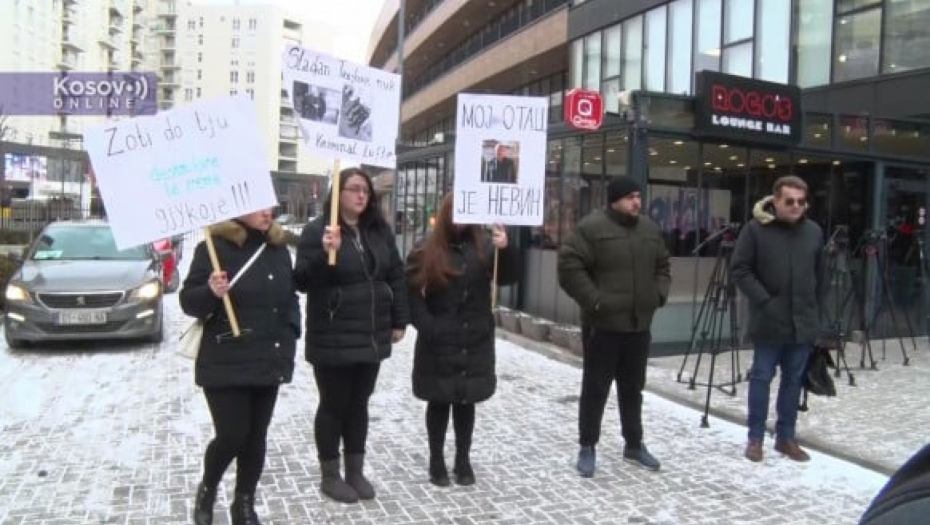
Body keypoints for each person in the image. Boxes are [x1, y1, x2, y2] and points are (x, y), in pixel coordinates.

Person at [293, 167, 410, 504]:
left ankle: (355, 471)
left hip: (371, 333)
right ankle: (330, 475)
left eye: (366, 190)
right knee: (334, 404)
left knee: (359, 404)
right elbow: (301, 280)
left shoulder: (377, 230)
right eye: (354, 189)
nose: (362, 195)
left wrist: (400, 318)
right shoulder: (318, 231)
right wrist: (322, 252)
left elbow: (396, 274)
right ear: (338, 193)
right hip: (333, 333)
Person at [180, 209, 301, 525]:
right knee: (232, 435)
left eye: (269, 205)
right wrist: (211, 291)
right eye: (259, 205)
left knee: (256, 436)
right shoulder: (213, 247)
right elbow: (188, 302)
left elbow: (290, 297)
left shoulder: (276, 247)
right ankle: (208, 488)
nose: (267, 212)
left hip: (268, 355)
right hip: (225, 357)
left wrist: (290, 331)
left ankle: (243, 503)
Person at [557, 176, 670, 477]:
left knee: (633, 390)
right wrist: (594, 300)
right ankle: (587, 446)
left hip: (638, 326)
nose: (637, 202)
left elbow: (663, 266)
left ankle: (634, 443)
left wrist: (659, 294)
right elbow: (569, 266)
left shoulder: (649, 229)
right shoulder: (592, 228)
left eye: (639, 196)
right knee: (595, 389)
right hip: (602, 326)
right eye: (631, 196)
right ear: (615, 199)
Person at [405, 193, 521, 487]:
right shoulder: (426, 248)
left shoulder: (482, 245)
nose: (462, 220)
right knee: (440, 400)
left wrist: (505, 249)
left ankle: (462, 459)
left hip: (474, 338)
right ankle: (436, 460)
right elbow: (411, 293)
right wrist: (428, 326)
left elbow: (506, 277)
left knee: (466, 400)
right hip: (439, 339)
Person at [730, 175, 826, 463]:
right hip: (769, 320)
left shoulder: (814, 232)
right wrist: (765, 301)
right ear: (776, 201)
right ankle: (755, 438)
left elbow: (821, 275)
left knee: (793, 381)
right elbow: (740, 269)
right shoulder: (756, 230)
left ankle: (786, 438)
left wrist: (815, 309)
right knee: (761, 378)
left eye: (801, 201)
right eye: (790, 201)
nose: (796, 206)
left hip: (802, 322)